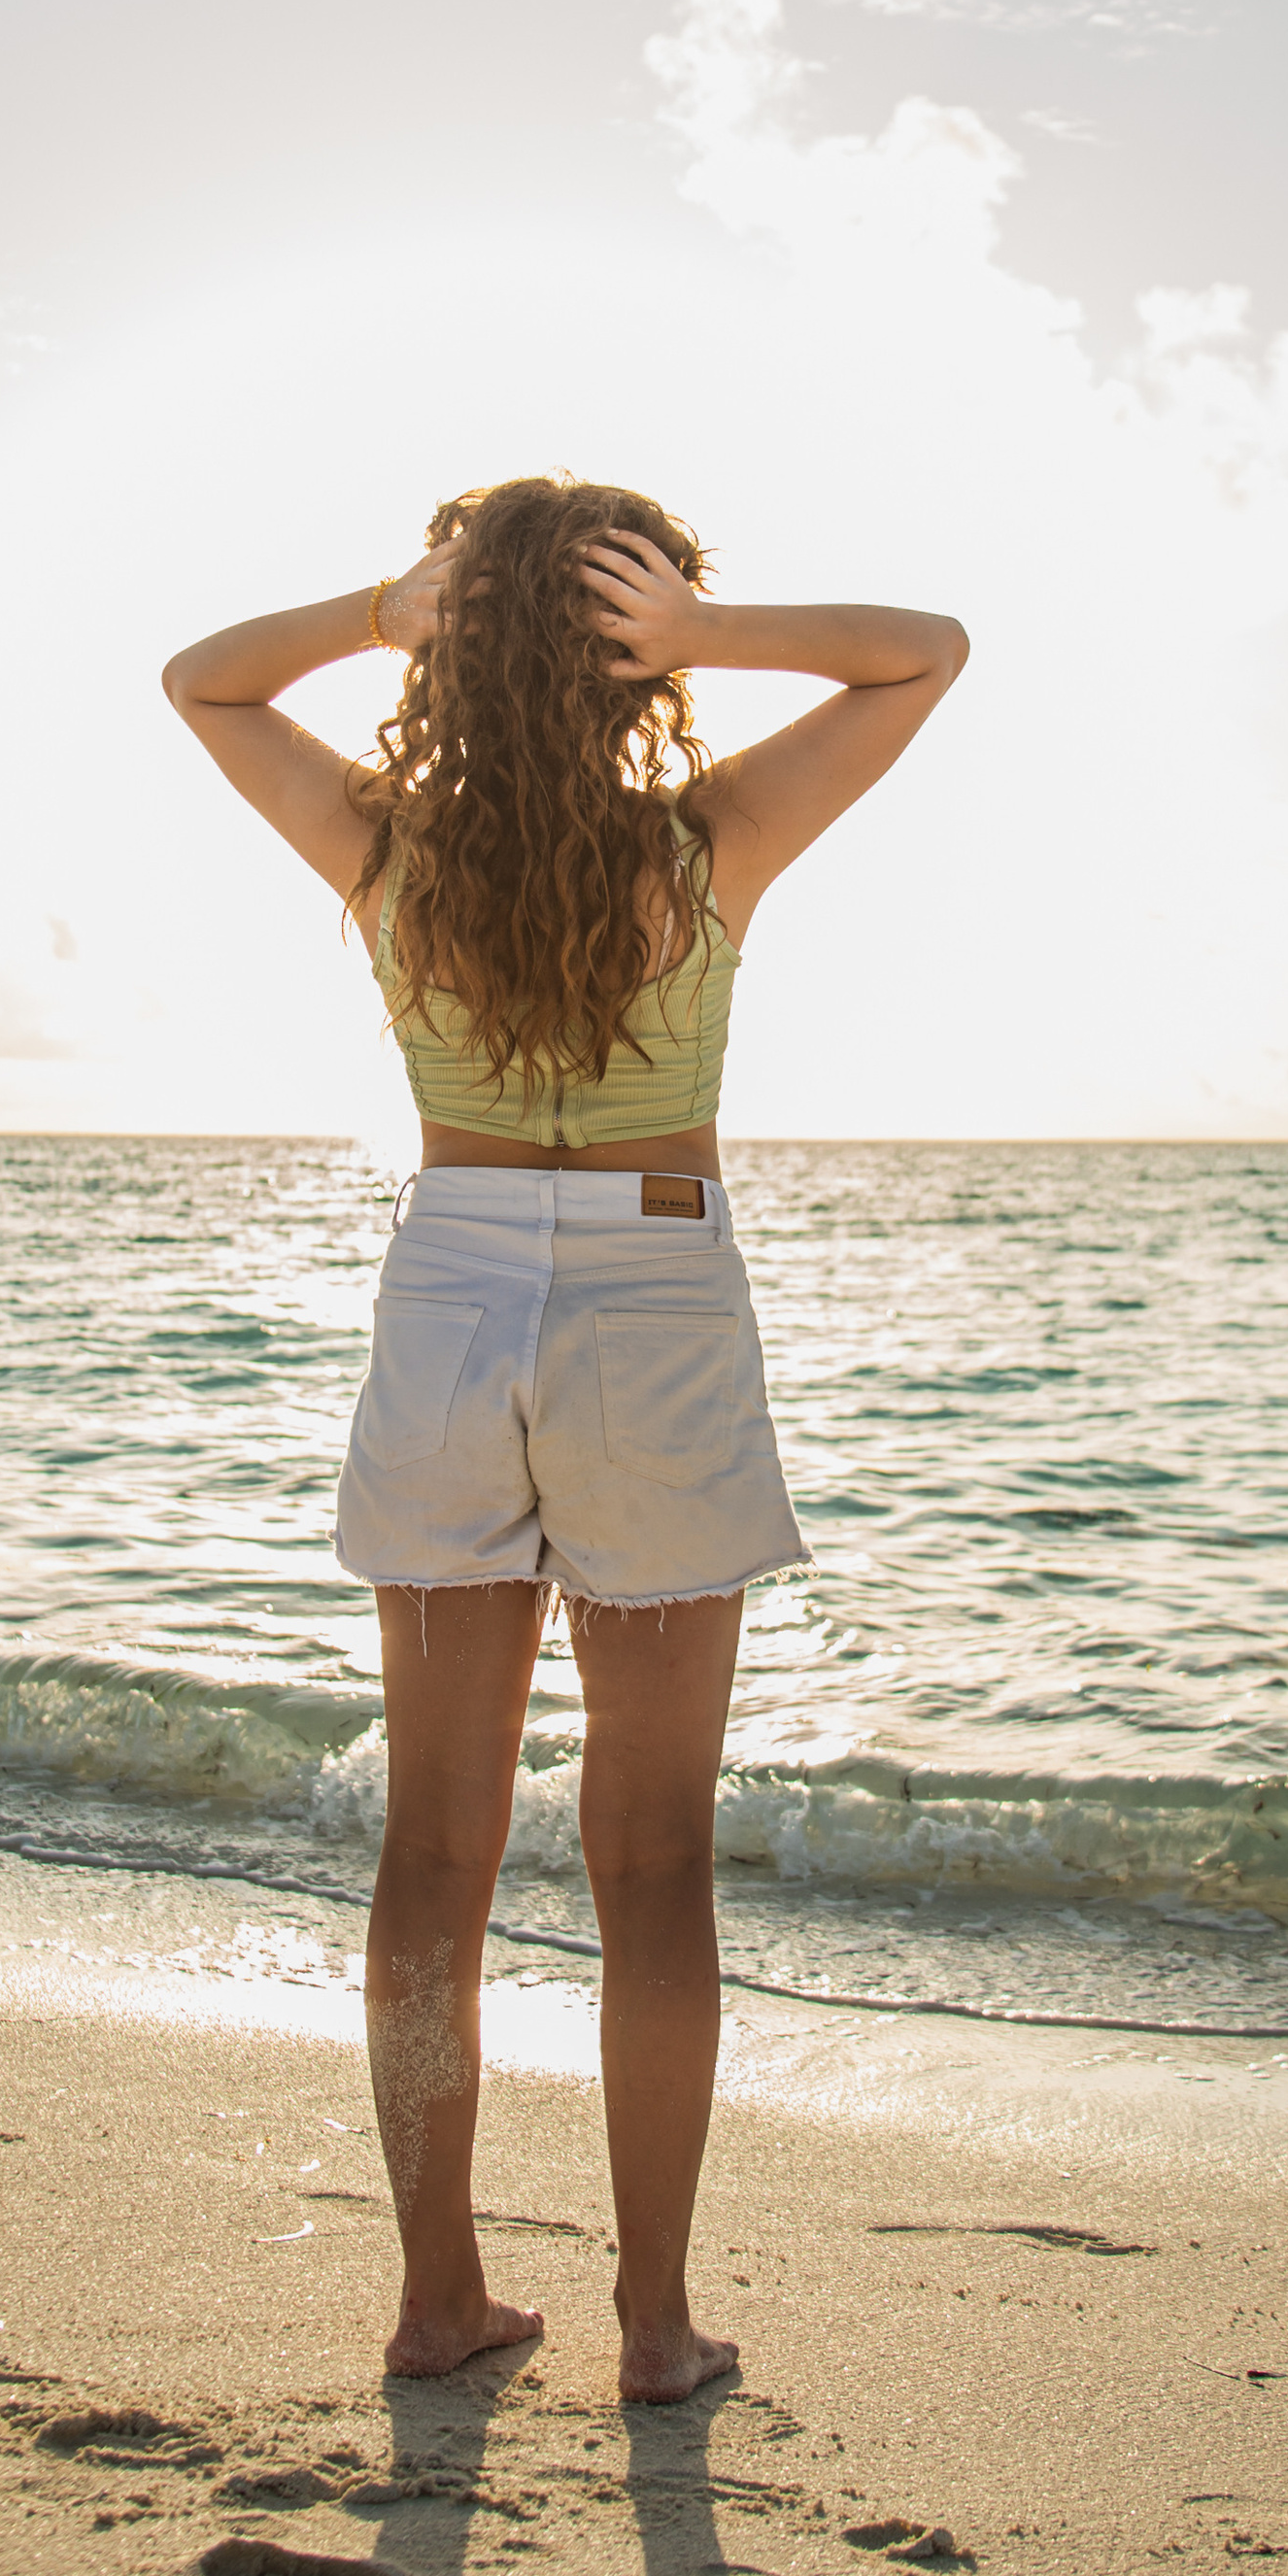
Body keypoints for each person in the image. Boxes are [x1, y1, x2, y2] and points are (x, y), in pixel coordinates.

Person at [163, 476, 966, 2401]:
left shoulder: (380, 848)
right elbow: (922, 652)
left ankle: (439, 2301)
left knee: (431, 1850)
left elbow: (201, 682)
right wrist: (698, 636)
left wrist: (387, 605)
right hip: (652, 1291)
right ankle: (654, 2324)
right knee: (651, 1859)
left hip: (449, 1289)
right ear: (625, 649)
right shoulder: (708, 841)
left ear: (459, 646)